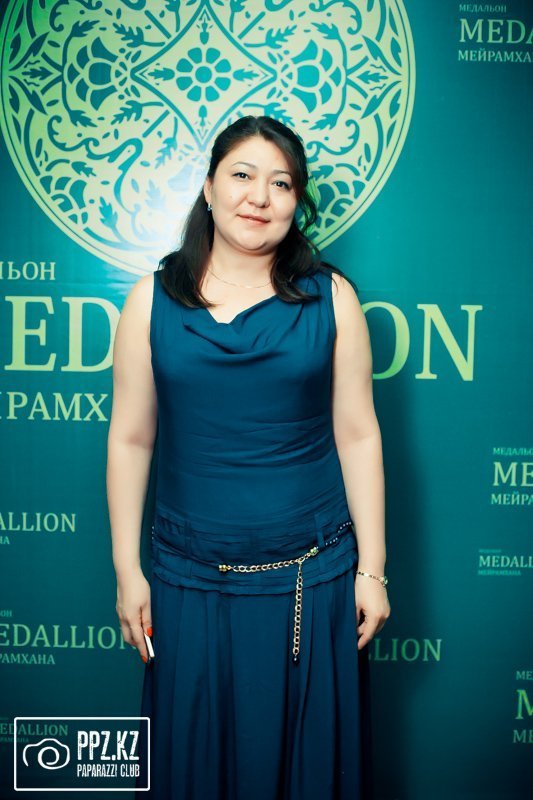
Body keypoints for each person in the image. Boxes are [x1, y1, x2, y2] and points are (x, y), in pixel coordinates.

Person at [106, 114, 390, 799]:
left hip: (311, 582)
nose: (259, 197)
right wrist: (127, 571)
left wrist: (373, 572)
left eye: (281, 183)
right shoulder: (150, 301)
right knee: (192, 768)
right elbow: (130, 439)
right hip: (185, 582)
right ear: (208, 188)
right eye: (241, 175)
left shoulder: (332, 299)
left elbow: (358, 435)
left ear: (296, 203)